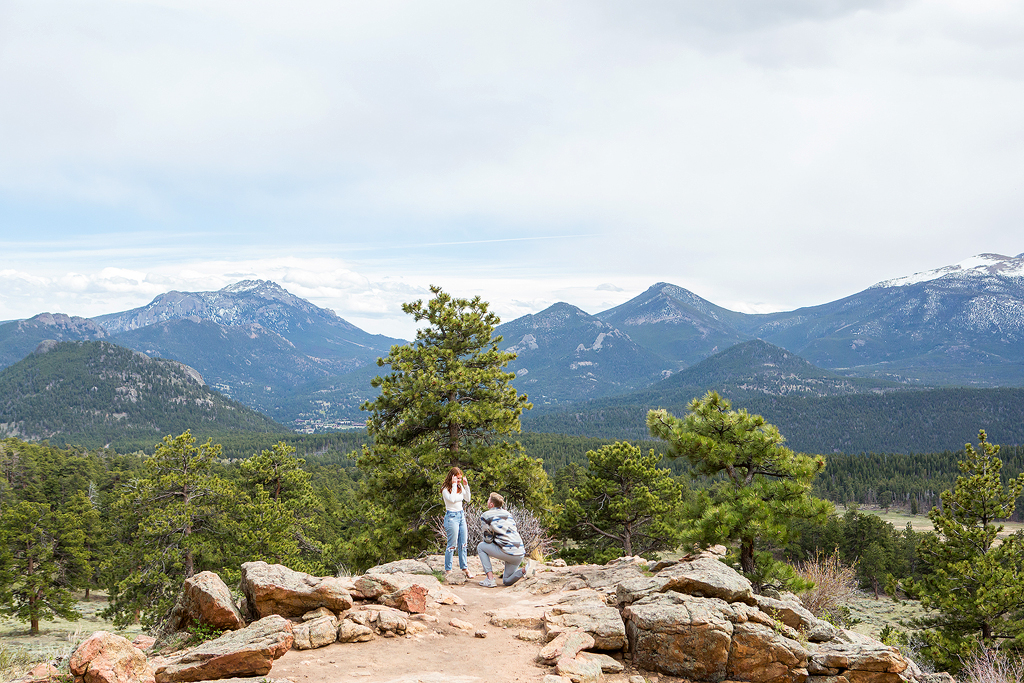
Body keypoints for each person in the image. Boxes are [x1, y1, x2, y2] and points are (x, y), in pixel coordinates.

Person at [476, 492, 531, 587]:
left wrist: (495, 541)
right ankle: (525, 570)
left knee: (481, 547)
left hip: (507, 552)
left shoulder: (486, 515)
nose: (487, 501)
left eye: (488, 499)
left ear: (491, 504)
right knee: (506, 581)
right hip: (519, 552)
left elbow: (487, 539)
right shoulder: (507, 514)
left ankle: (490, 579)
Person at [441, 466, 472, 576]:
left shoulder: (459, 487)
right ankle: (448, 569)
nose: (459, 480)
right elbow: (452, 499)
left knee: (463, 543)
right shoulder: (445, 490)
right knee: (452, 544)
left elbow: (467, 498)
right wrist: (454, 485)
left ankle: (464, 568)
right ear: (452, 477)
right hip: (451, 517)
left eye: (460, 478)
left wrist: (465, 485)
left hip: (460, 515)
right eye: (457, 478)